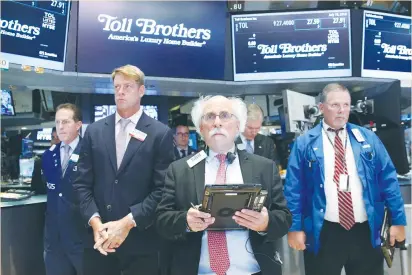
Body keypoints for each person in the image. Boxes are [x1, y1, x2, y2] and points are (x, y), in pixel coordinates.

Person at [156, 95, 291, 275]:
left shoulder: (264, 167)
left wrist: (265, 223)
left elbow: (284, 217)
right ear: (200, 128)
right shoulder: (179, 170)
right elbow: (161, 219)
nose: (217, 122)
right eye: (210, 116)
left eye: (225, 115)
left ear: (238, 126)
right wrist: (185, 221)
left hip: (253, 270)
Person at [284, 83, 407, 275]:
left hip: (366, 231)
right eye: (335, 105)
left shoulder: (367, 138)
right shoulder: (304, 143)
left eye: (346, 105)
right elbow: (294, 189)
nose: (341, 111)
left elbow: (388, 180)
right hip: (324, 232)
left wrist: (398, 221)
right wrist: (294, 227)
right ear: (322, 107)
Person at [73, 64, 175, 275]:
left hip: (141, 242)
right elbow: (81, 183)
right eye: (117, 86)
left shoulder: (160, 133)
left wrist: (127, 223)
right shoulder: (94, 131)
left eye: (127, 86)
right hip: (98, 241)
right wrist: (96, 224)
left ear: (141, 91)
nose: (120, 91)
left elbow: (162, 189)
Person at [42, 103, 84, 275]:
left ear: (78, 124)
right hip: (54, 238)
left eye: (66, 122)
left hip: (81, 237)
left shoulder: (91, 153)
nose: (60, 127)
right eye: (57, 122)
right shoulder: (48, 155)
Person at [32, 128, 60, 194]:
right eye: (53, 138)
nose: (55, 141)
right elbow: (35, 187)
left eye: (58, 137)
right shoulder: (41, 161)